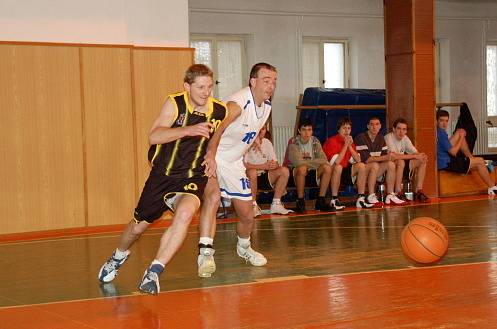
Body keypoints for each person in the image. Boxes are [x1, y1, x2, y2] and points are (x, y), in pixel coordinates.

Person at [97, 64, 227, 294]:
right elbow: (154, 136)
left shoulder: (218, 110)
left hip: (192, 177)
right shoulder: (175, 103)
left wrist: (211, 154)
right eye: (200, 87)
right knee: (136, 229)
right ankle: (118, 257)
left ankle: (154, 271)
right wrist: (188, 130)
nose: (205, 92)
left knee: (186, 213)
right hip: (163, 176)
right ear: (187, 86)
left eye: (209, 87)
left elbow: (217, 133)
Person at [196, 63, 278, 278]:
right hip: (214, 156)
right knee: (213, 199)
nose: (271, 85)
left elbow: (245, 131)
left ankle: (244, 247)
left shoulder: (267, 106)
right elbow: (218, 128)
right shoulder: (237, 103)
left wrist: (253, 143)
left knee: (247, 215)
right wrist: (210, 156)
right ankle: (205, 252)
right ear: (253, 81)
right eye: (266, 80)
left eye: (274, 81)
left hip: (234, 164)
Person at [436, 109, 497, 195]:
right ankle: (492, 187)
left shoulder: (439, 132)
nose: (444, 124)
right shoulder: (441, 134)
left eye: (446, 121)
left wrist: (459, 135)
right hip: (448, 163)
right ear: (436, 121)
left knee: (458, 131)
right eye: (441, 120)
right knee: (480, 161)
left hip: (445, 160)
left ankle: (472, 160)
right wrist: (461, 137)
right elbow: (453, 152)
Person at [322, 117, 374, 209]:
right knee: (338, 167)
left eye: (349, 128)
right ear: (338, 130)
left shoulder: (349, 141)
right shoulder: (331, 141)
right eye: (344, 128)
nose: (346, 131)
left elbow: (358, 160)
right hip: (331, 172)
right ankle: (334, 199)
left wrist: (349, 146)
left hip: (344, 170)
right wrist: (345, 145)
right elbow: (336, 162)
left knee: (361, 166)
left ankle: (360, 198)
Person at [354, 117, 406, 205]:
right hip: (361, 172)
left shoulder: (381, 138)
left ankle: (390, 195)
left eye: (377, 124)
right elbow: (367, 160)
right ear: (368, 126)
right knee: (374, 164)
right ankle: (371, 195)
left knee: (390, 164)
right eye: (372, 124)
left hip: (376, 170)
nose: (374, 127)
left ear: (380, 126)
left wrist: (390, 156)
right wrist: (387, 157)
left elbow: (385, 157)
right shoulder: (361, 137)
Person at [244, 124, 293, 216]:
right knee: (252, 172)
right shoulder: (247, 142)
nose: (260, 132)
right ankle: (253, 205)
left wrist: (274, 165)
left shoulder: (267, 142)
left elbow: (276, 162)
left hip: (264, 175)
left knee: (284, 170)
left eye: (263, 129)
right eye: (258, 129)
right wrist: (263, 166)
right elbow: (244, 165)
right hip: (248, 176)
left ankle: (276, 203)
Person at [286, 118, 334, 213]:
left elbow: (324, 160)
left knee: (327, 168)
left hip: (312, 172)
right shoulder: (293, 142)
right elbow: (298, 162)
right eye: (304, 130)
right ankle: (300, 201)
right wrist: (315, 162)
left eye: (309, 130)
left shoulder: (315, 141)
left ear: (312, 131)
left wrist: (310, 163)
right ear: (299, 131)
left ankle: (320, 200)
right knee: (302, 168)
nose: (307, 133)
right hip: (295, 174)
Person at [385, 118, 430, 202]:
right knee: (401, 162)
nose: (401, 132)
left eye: (404, 129)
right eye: (399, 128)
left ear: (406, 131)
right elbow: (394, 156)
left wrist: (421, 156)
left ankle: (418, 191)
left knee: (422, 161)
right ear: (394, 129)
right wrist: (414, 156)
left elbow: (415, 152)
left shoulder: (405, 138)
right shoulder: (388, 138)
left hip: (402, 164)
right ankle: (398, 191)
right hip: (390, 166)